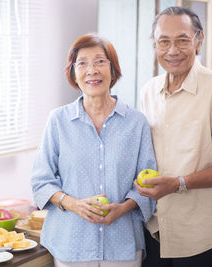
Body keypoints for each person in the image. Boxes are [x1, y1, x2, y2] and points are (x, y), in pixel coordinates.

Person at [135, 6, 212, 267]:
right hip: (156, 231)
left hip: (203, 237)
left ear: (198, 41)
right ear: (155, 45)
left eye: (182, 40)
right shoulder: (149, 91)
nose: (172, 50)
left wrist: (179, 183)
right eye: (163, 41)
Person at [31, 33, 156, 267]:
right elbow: (41, 181)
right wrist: (73, 204)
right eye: (82, 63)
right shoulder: (58, 120)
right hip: (71, 244)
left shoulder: (136, 122)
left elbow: (148, 184)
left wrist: (123, 208)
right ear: (73, 72)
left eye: (100, 61)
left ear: (113, 69)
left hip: (122, 245)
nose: (92, 70)